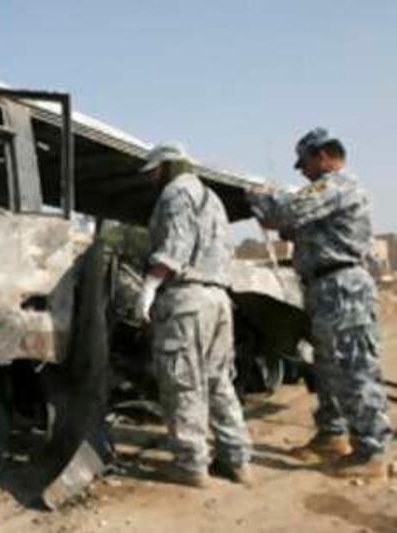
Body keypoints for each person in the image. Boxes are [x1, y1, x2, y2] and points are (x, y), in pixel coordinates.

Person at [247, 128, 392, 478]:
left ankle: (372, 451)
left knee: (354, 369)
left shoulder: (336, 186)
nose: (303, 172)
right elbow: (286, 226)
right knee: (327, 368)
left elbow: (285, 212)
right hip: (324, 289)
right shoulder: (326, 196)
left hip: (343, 288)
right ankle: (332, 434)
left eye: (305, 163)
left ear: (323, 155)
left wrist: (257, 193)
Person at [136, 143, 253, 488]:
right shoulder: (212, 198)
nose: (152, 178)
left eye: (154, 170)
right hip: (218, 298)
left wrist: (149, 287)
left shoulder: (175, 194)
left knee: (183, 382)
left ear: (169, 166)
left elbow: (174, 248)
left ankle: (190, 465)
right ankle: (237, 460)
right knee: (219, 382)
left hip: (186, 299)